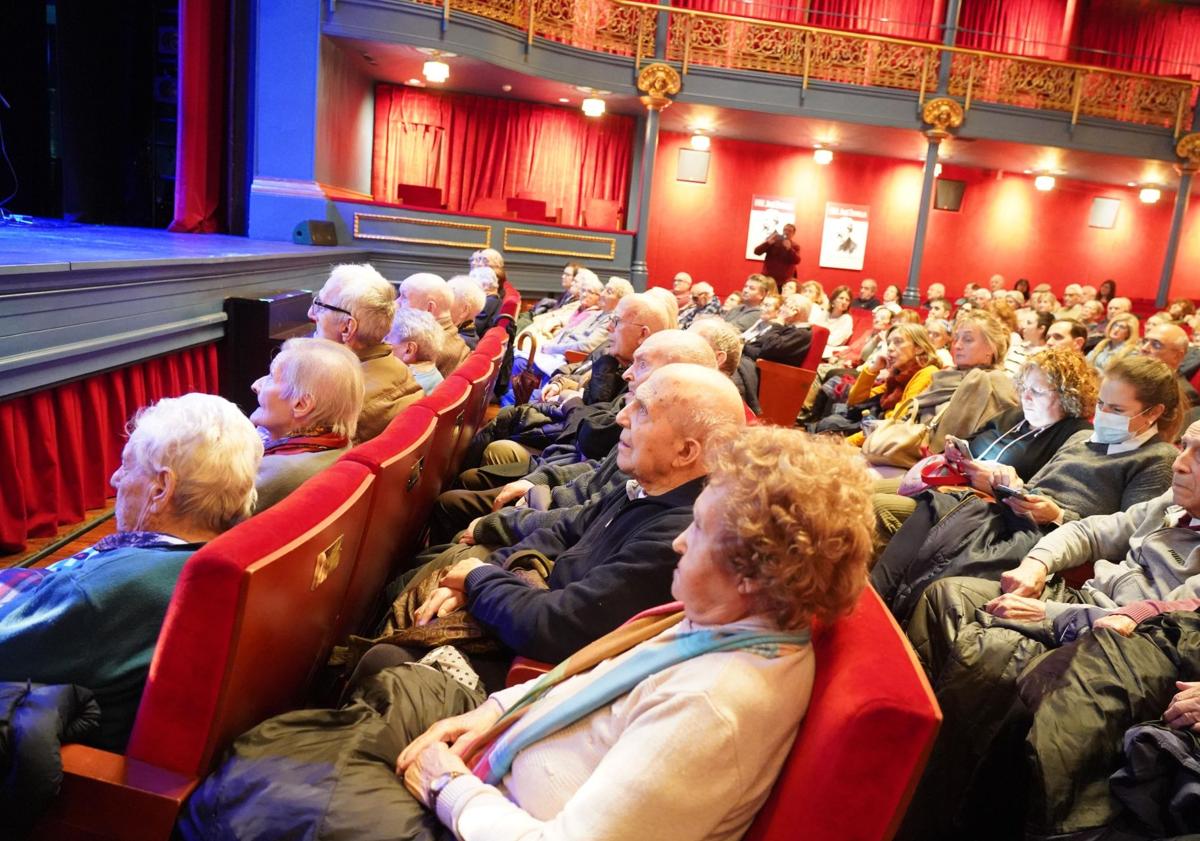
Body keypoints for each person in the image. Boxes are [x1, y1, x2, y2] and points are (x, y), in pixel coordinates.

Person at [182, 425, 875, 841]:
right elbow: (576, 678)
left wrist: (447, 782)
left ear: (751, 571)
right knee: (370, 694)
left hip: (489, 814)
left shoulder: (715, 706)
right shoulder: (722, 620)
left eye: (697, 533)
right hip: (500, 755)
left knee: (262, 783)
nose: (678, 544)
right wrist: (487, 713)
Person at [900, 418, 1200, 841]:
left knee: (987, 657)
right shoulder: (1174, 501)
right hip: (1082, 601)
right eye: (1184, 446)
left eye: (1197, 454)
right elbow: (1091, 530)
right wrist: (1036, 565)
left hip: (1115, 639)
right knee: (948, 596)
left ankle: (938, 810)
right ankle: (910, 749)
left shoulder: (1152, 463)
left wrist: (1050, 613)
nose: (1180, 464)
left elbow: (1167, 624)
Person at [391, 364, 749, 665]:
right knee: (425, 587)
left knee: (391, 656)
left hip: (535, 665)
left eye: (642, 410)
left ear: (685, 452)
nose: (621, 417)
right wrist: (489, 572)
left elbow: (558, 627)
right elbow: (565, 529)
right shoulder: (647, 484)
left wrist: (480, 579)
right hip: (527, 599)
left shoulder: (678, 535)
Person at [0, 393, 262, 751]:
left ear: (161, 488)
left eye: (127, 465)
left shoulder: (106, 590)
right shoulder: (225, 555)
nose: (114, 478)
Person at [873, 354, 1182, 623]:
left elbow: (1127, 537)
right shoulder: (1081, 440)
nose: (1102, 414)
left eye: (1116, 409)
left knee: (941, 537)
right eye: (1101, 404)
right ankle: (874, 605)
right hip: (1013, 514)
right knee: (931, 507)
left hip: (1051, 540)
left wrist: (1057, 514)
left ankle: (889, 615)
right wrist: (1007, 486)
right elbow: (1036, 488)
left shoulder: (1157, 459)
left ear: (1152, 413)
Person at [873, 347, 1096, 538]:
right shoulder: (1014, 415)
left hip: (979, 507)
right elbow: (971, 440)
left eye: (1036, 391)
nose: (1026, 397)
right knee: (863, 490)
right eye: (1024, 388)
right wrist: (954, 449)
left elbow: (1039, 497)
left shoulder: (1073, 435)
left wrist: (992, 483)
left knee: (876, 507)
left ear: (1069, 395)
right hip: (949, 482)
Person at [310, 263, 422, 443]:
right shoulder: (401, 369)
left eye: (320, 306)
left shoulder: (339, 408)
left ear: (347, 327)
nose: (311, 314)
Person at [251, 338, 365, 512]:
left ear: (301, 405)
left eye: (272, 377)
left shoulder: (275, 473)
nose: (256, 385)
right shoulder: (337, 446)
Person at [845, 323, 943, 447]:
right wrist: (873, 370)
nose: (890, 348)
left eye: (898, 342)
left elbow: (897, 422)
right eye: (889, 342)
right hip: (876, 432)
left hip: (886, 440)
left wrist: (846, 443)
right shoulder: (898, 375)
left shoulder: (927, 373)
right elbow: (855, 401)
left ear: (919, 348)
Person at [399, 272, 471, 379]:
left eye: (404, 298)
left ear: (429, 308)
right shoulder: (452, 336)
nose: (396, 302)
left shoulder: (425, 350)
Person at [388, 307, 445, 395]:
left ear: (409, 350)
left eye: (387, 338)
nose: (384, 343)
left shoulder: (406, 390)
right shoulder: (435, 376)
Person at [448, 274, 488, 349]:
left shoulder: (458, 344)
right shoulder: (465, 335)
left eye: (448, 299)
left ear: (464, 310)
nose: (442, 305)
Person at [820, 285, 855, 356]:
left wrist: (819, 336)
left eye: (847, 300)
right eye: (841, 298)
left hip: (829, 352)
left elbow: (834, 342)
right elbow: (812, 330)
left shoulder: (847, 319)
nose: (844, 302)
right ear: (833, 300)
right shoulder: (825, 314)